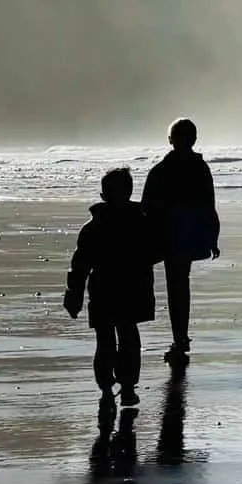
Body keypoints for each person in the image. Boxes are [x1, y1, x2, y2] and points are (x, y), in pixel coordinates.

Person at [64, 164, 155, 405]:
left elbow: (80, 264)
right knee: (128, 336)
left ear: (103, 196)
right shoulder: (142, 223)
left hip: (103, 290)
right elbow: (156, 252)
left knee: (104, 341)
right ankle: (127, 387)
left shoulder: (93, 227)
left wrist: (74, 294)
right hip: (132, 289)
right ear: (129, 193)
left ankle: (106, 387)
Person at [139, 117, 221, 365]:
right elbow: (209, 205)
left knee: (174, 286)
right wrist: (212, 237)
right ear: (194, 139)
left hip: (166, 234)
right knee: (180, 285)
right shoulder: (200, 168)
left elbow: (146, 207)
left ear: (170, 140)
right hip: (190, 233)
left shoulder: (161, 169)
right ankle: (180, 337)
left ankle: (179, 337)